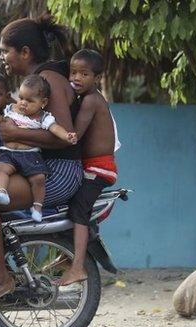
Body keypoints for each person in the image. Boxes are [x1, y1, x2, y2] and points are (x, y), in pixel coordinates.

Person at [0, 16, 83, 312]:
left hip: (57, 172)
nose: (3, 58)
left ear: (25, 52)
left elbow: (65, 137)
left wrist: (15, 132)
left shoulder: (49, 80)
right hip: (37, 164)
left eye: (6, 51)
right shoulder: (39, 80)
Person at [0, 75, 77, 223]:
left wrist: (67, 136)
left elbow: (55, 129)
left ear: (43, 103)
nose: (23, 103)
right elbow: (0, 118)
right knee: (1, 170)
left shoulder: (43, 117)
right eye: (21, 98)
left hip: (30, 155)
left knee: (39, 178)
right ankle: (2, 192)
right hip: (8, 153)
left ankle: (37, 207)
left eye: (29, 101)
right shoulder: (12, 109)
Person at [58, 49, 118, 286]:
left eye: (84, 74)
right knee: (67, 208)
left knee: (79, 211)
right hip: (91, 167)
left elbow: (74, 134)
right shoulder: (86, 99)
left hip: (99, 168)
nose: (77, 78)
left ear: (97, 78)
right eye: (73, 72)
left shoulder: (91, 100)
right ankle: (69, 255)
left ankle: (77, 267)